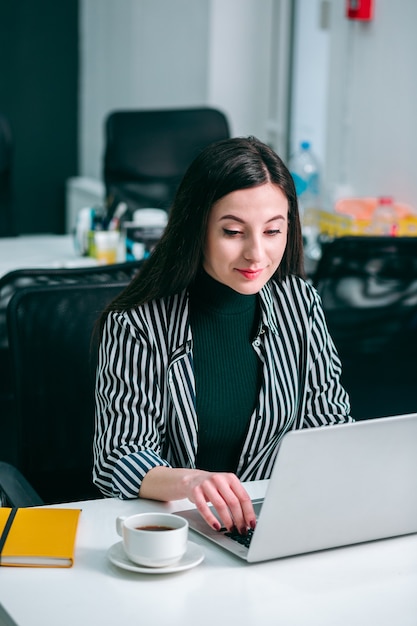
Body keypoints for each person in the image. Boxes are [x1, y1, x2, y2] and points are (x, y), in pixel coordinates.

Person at [93, 136, 352, 535]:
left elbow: (329, 427)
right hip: (173, 531)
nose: (257, 254)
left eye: (272, 231)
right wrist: (192, 481)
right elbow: (119, 456)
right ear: (197, 228)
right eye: (234, 232)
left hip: (274, 525)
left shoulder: (300, 304)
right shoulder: (138, 323)